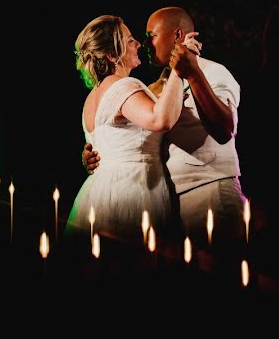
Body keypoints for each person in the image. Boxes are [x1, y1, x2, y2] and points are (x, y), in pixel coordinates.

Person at [83, 7, 246, 243]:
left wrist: (192, 74)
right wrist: (99, 152)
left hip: (209, 191)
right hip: (167, 201)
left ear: (177, 36)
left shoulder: (212, 72)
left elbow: (225, 130)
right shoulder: (154, 87)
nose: (144, 43)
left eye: (152, 36)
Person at [66, 14, 188, 244]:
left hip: (98, 192)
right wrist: (179, 70)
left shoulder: (93, 96)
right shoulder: (122, 85)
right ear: (113, 55)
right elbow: (160, 119)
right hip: (134, 189)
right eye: (130, 40)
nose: (139, 44)